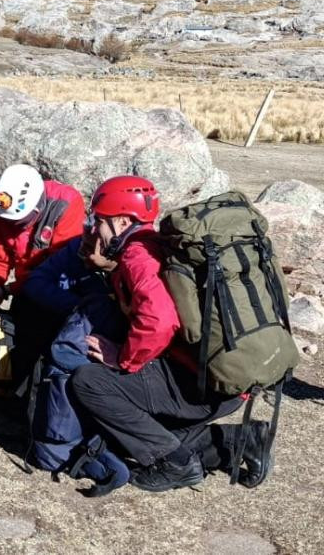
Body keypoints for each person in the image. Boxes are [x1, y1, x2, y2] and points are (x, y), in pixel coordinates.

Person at [68, 176, 246, 491]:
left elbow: (160, 320)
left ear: (123, 220)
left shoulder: (137, 255)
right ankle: (238, 442)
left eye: (100, 220)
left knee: (90, 383)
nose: (95, 228)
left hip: (200, 386)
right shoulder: (154, 244)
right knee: (137, 420)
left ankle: (176, 463)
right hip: (227, 379)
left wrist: (123, 358)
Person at [0, 163, 85, 386]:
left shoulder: (65, 205)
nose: (13, 226)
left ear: (37, 209)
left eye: (19, 221)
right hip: (23, 287)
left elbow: (58, 268)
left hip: (57, 288)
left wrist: (7, 289)